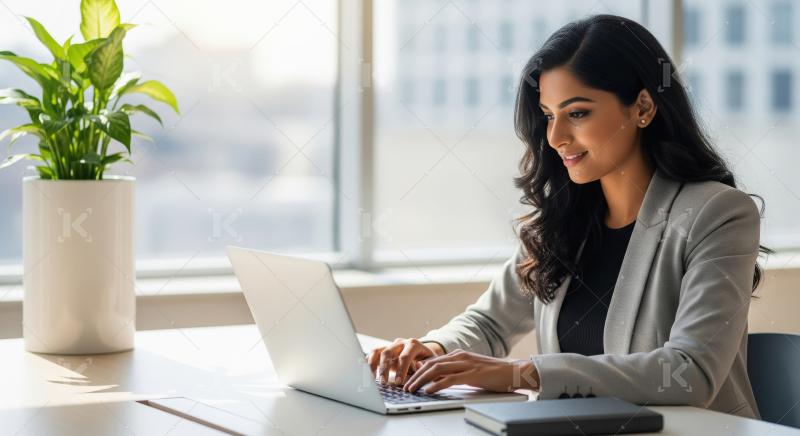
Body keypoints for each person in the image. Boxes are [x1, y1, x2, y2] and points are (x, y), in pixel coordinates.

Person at [366, 14, 772, 419]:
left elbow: (689, 372)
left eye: (577, 113)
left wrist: (523, 374)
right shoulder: (565, 220)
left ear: (643, 107)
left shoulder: (717, 214)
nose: (556, 137)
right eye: (548, 115)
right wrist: (433, 349)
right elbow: (489, 324)